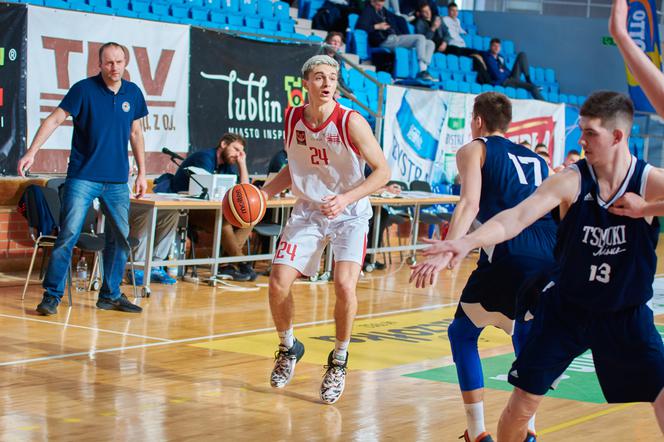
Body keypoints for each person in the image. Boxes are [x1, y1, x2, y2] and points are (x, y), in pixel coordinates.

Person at [416, 91, 664, 440]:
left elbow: (476, 204)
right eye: (581, 130)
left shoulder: (647, 181)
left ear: (618, 137)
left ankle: (479, 429)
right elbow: (515, 217)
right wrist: (465, 242)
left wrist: (645, 209)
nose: (581, 140)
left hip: (624, 313)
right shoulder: (571, 179)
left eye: (590, 133)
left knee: (662, 398)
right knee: (518, 409)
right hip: (568, 309)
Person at [410, 92, 557, 442]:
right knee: (524, 331)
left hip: (511, 247)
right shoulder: (539, 160)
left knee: (462, 333)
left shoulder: (474, 148)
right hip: (552, 251)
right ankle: (528, 430)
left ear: (477, 121)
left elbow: (470, 203)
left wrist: (445, 249)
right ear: (508, 124)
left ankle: (477, 433)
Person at [261, 54, 390, 404]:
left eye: (332, 76)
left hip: (349, 214)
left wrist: (347, 199)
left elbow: (382, 172)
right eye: (319, 77)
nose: (327, 82)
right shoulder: (292, 118)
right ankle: (289, 348)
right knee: (277, 283)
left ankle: (339, 359)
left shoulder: (351, 120)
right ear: (306, 83)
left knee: (344, 286)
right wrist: (264, 193)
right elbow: (294, 167)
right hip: (308, 212)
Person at [17, 42, 147, 315]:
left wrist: (143, 172)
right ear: (99, 64)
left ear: (126, 63)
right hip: (83, 176)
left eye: (119, 62)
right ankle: (51, 296)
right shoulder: (83, 89)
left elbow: (136, 133)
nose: (114, 68)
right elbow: (54, 119)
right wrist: (32, 151)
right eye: (109, 63)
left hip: (116, 182)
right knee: (68, 235)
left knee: (120, 238)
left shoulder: (133, 93)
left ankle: (110, 295)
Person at [171, 133, 256, 281]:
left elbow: (244, 190)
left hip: (213, 210)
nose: (238, 155)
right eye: (236, 149)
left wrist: (242, 164)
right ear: (223, 144)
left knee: (247, 219)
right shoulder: (204, 158)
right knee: (222, 222)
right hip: (187, 209)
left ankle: (225, 265)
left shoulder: (228, 165)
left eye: (241, 152)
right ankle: (242, 262)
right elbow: (206, 188)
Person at [356, 0, 435, 80]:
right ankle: (422, 71)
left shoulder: (383, 11)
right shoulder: (368, 11)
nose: (380, 7)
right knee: (420, 38)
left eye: (382, 5)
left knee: (430, 43)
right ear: (372, 1)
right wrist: (376, 27)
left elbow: (397, 18)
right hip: (385, 40)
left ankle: (424, 69)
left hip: (395, 38)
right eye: (378, 5)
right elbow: (360, 27)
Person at [323, 31, 354, 98]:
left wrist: (349, 92)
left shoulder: (338, 58)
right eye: (334, 41)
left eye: (338, 42)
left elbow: (339, 78)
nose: (336, 43)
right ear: (328, 42)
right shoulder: (320, 54)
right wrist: (333, 92)